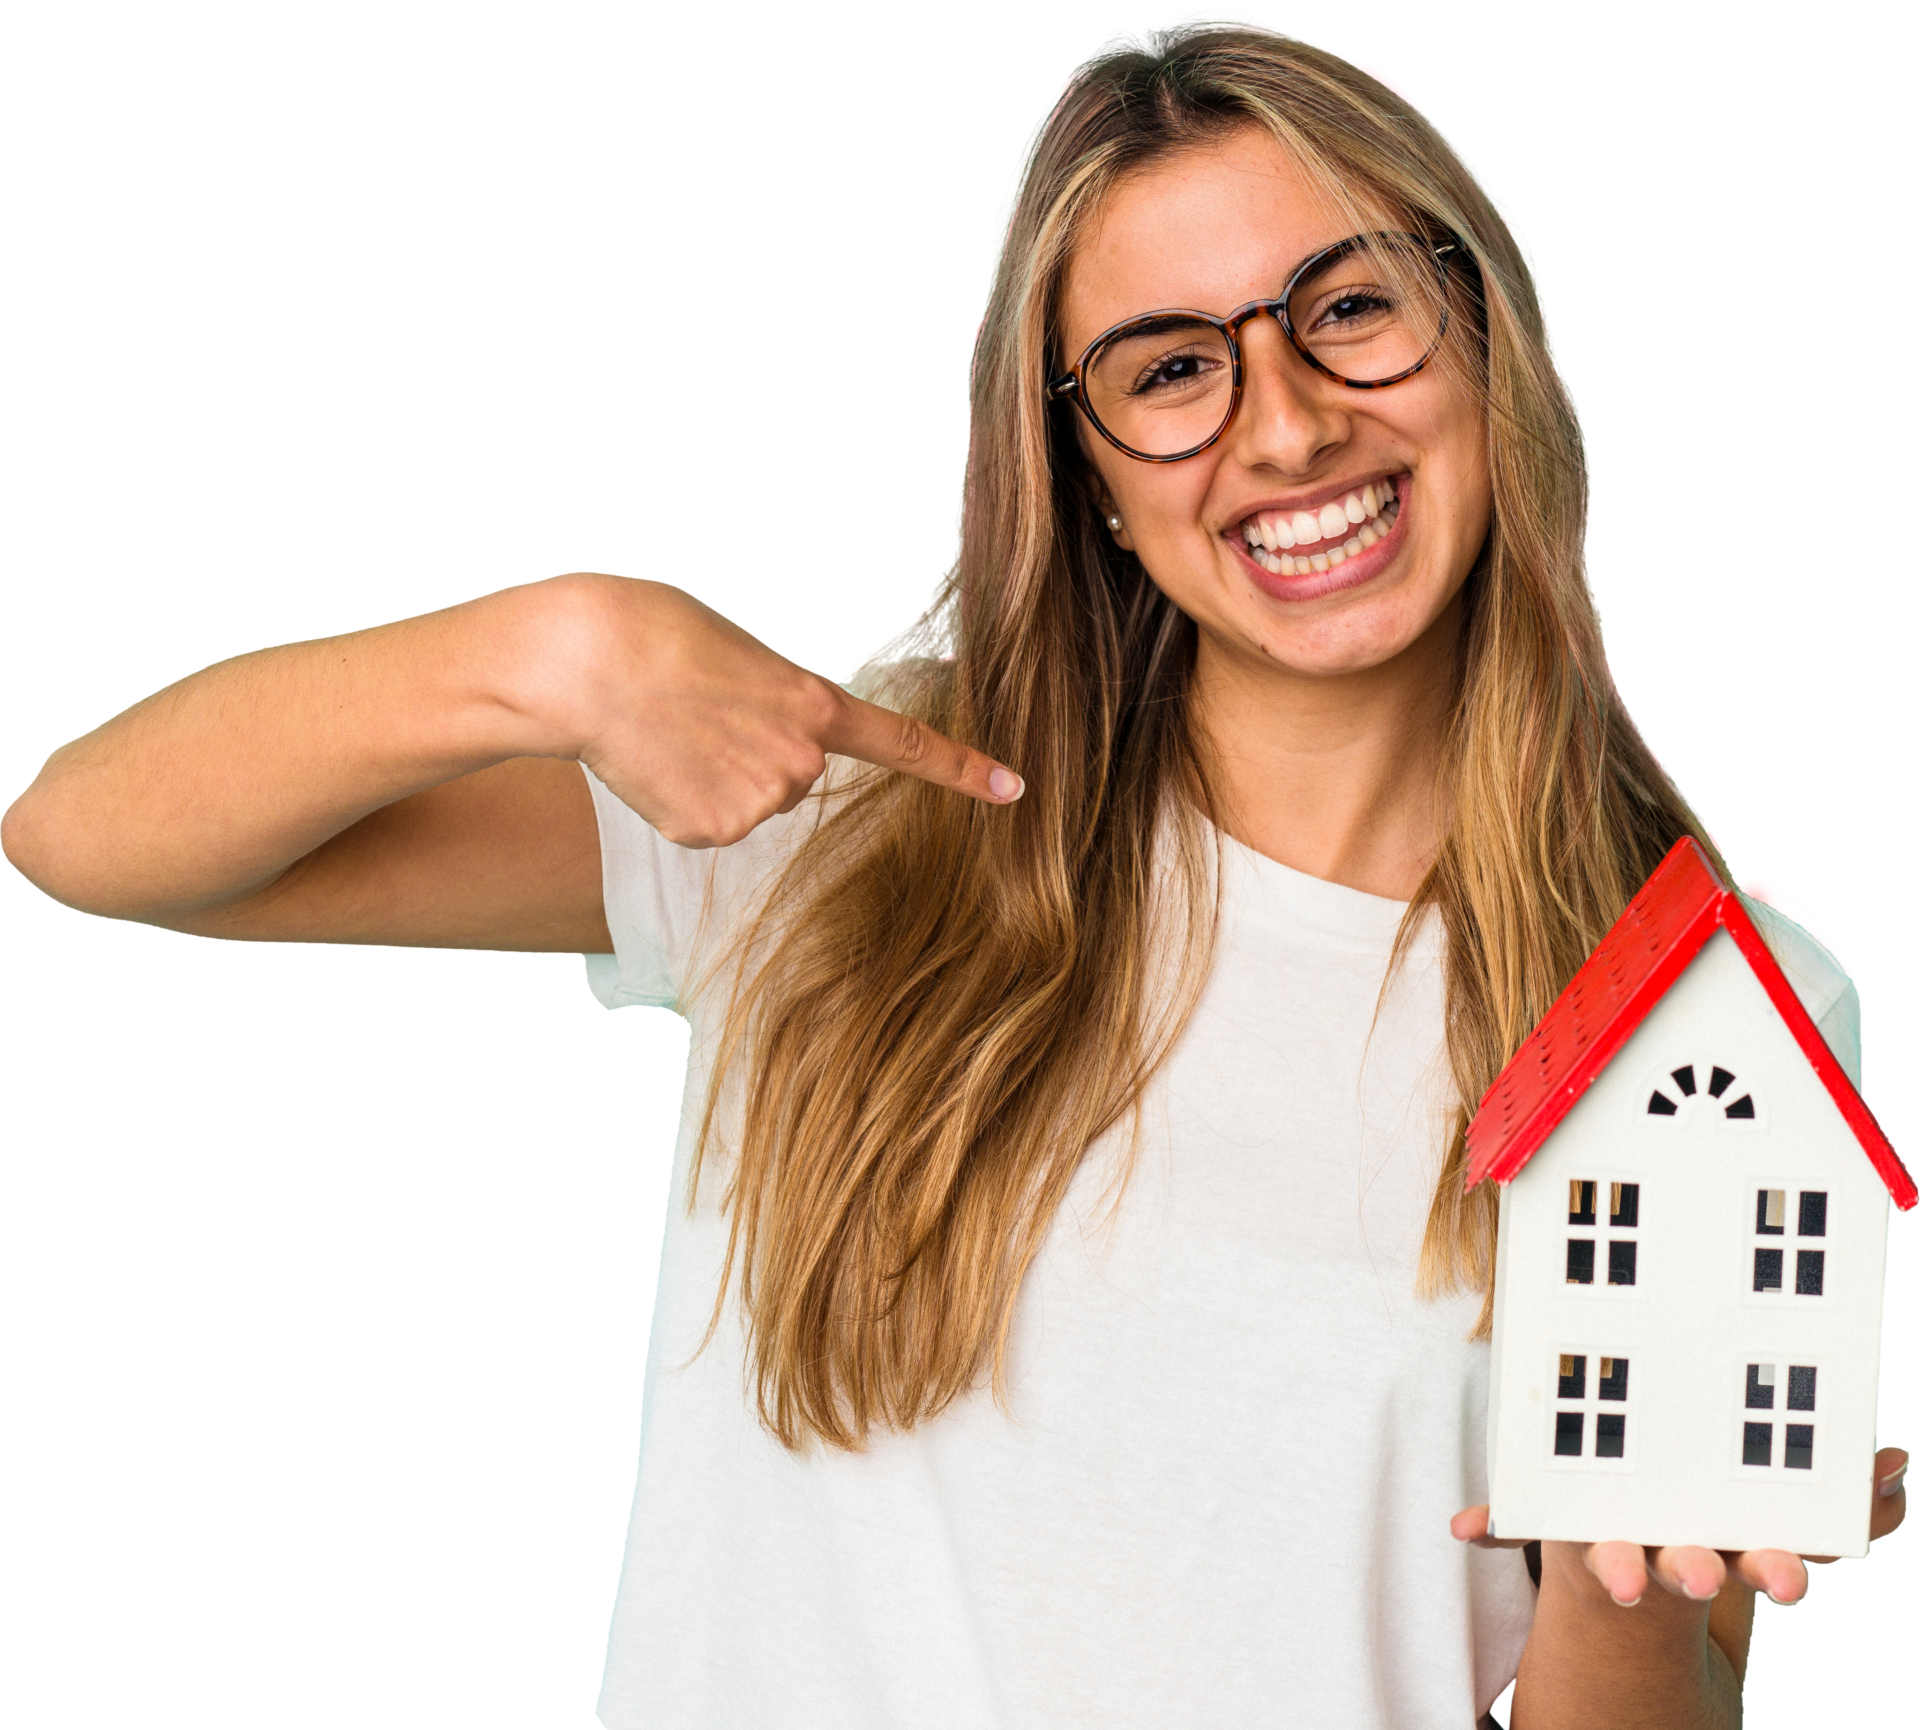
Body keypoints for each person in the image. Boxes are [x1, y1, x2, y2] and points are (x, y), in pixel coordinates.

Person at [2, 13, 1904, 1727]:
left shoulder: (1713, 998)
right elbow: (87, 838)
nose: (1291, 422)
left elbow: (1649, 1698)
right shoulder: (840, 825)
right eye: (1171, 369)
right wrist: (552, 645)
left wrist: (1621, 1588)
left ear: (1486, 333)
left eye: (1352, 306)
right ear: (1081, 469)